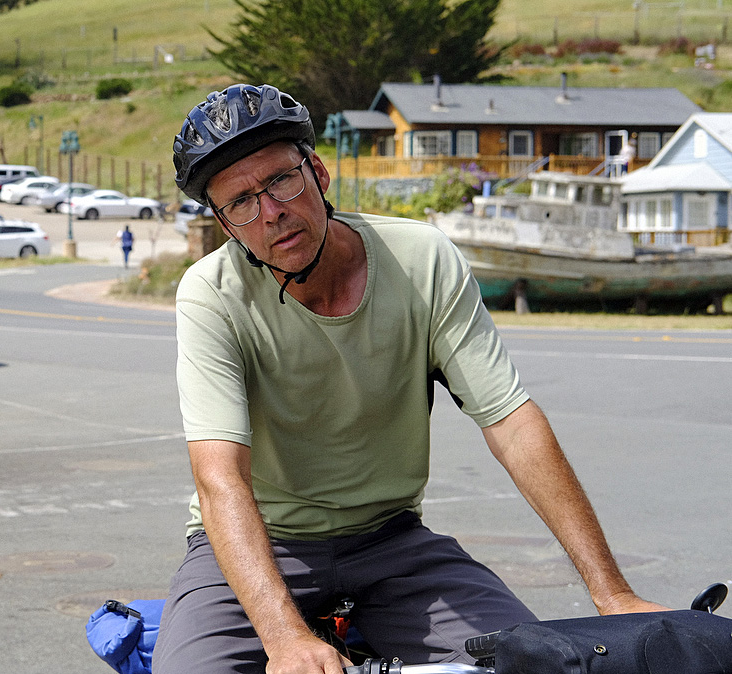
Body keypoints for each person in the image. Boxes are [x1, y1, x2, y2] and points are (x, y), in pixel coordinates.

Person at [153, 84, 665, 674]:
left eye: (281, 181)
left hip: (390, 540)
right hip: (257, 545)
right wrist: (284, 636)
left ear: (318, 172)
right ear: (224, 224)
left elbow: (512, 423)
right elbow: (220, 477)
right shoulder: (211, 294)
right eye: (241, 202)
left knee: (526, 664)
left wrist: (612, 594)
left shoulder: (422, 259)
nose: (271, 212)